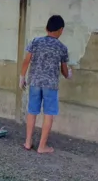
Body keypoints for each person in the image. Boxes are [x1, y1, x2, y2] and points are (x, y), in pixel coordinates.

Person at [19, 15, 73, 154]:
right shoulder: (62, 47)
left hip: (35, 82)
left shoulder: (35, 42)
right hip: (51, 85)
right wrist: (68, 75)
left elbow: (26, 61)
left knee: (32, 111)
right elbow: (64, 69)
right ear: (61, 30)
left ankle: (28, 142)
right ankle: (42, 147)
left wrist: (21, 77)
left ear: (46, 28)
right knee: (48, 114)